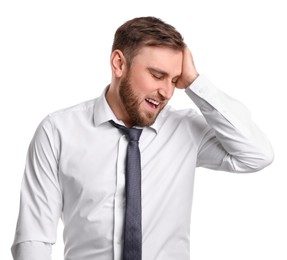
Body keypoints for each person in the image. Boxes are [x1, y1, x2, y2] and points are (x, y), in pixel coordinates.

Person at [11, 16, 274, 260]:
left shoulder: (185, 130)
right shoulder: (58, 131)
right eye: (158, 75)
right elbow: (34, 236)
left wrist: (194, 82)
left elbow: (256, 155)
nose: (167, 91)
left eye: (175, 79)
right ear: (119, 64)